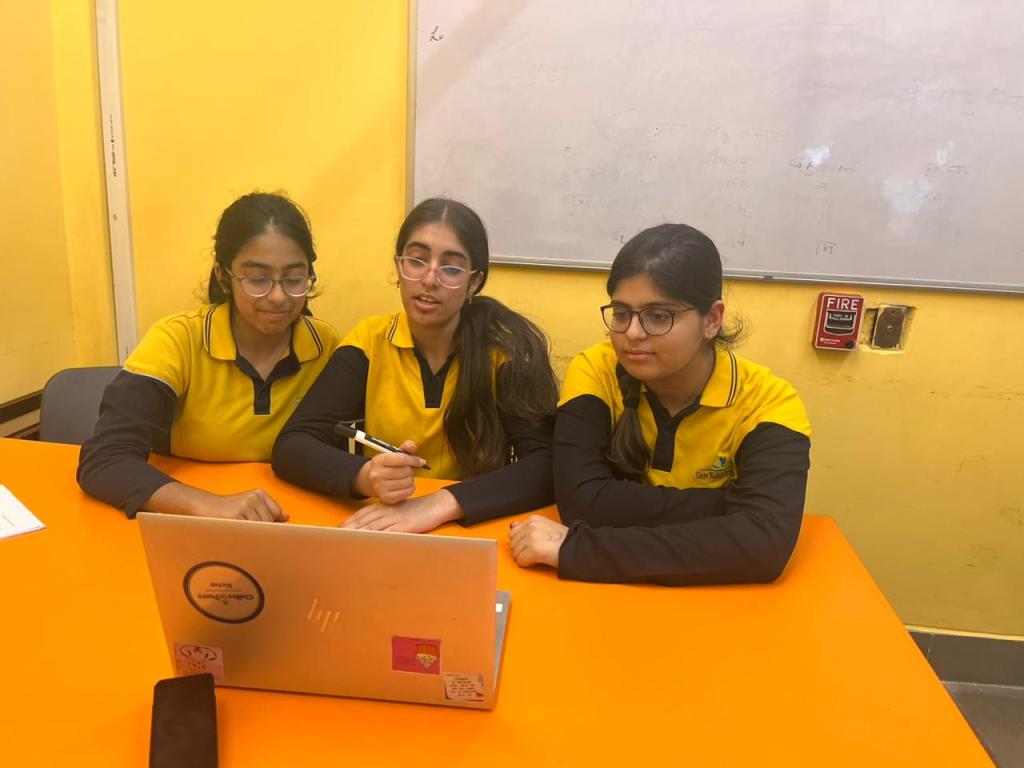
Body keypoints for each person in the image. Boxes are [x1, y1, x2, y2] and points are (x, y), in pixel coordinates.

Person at [509, 223, 812, 585]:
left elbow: (763, 547)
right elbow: (582, 503)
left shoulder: (769, 404)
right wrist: (728, 507)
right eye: (621, 313)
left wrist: (580, 550)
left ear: (712, 319)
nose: (632, 333)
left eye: (658, 316)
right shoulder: (595, 369)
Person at [272, 198, 558, 531]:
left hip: (472, 525)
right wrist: (364, 476)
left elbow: (547, 465)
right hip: (386, 522)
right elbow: (293, 445)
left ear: (474, 282)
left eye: (451, 268)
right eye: (417, 260)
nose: (430, 279)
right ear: (399, 267)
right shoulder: (370, 341)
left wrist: (438, 504)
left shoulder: (503, 350)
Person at [78, 192, 340, 521]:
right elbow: (105, 458)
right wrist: (206, 504)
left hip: (291, 517)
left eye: (294, 278)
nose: (277, 296)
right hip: (186, 516)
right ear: (222, 276)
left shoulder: (325, 345)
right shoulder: (178, 340)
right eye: (257, 279)